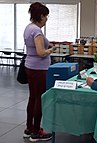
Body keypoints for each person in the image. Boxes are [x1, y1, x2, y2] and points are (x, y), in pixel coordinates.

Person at [23, 2, 58, 142]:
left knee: (32, 97)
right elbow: (41, 52)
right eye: (46, 16)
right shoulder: (37, 31)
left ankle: (29, 128)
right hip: (38, 69)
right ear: (41, 16)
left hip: (30, 67)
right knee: (39, 99)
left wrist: (46, 43)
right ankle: (36, 132)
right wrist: (51, 50)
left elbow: (33, 46)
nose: (47, 19)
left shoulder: (28, 28)